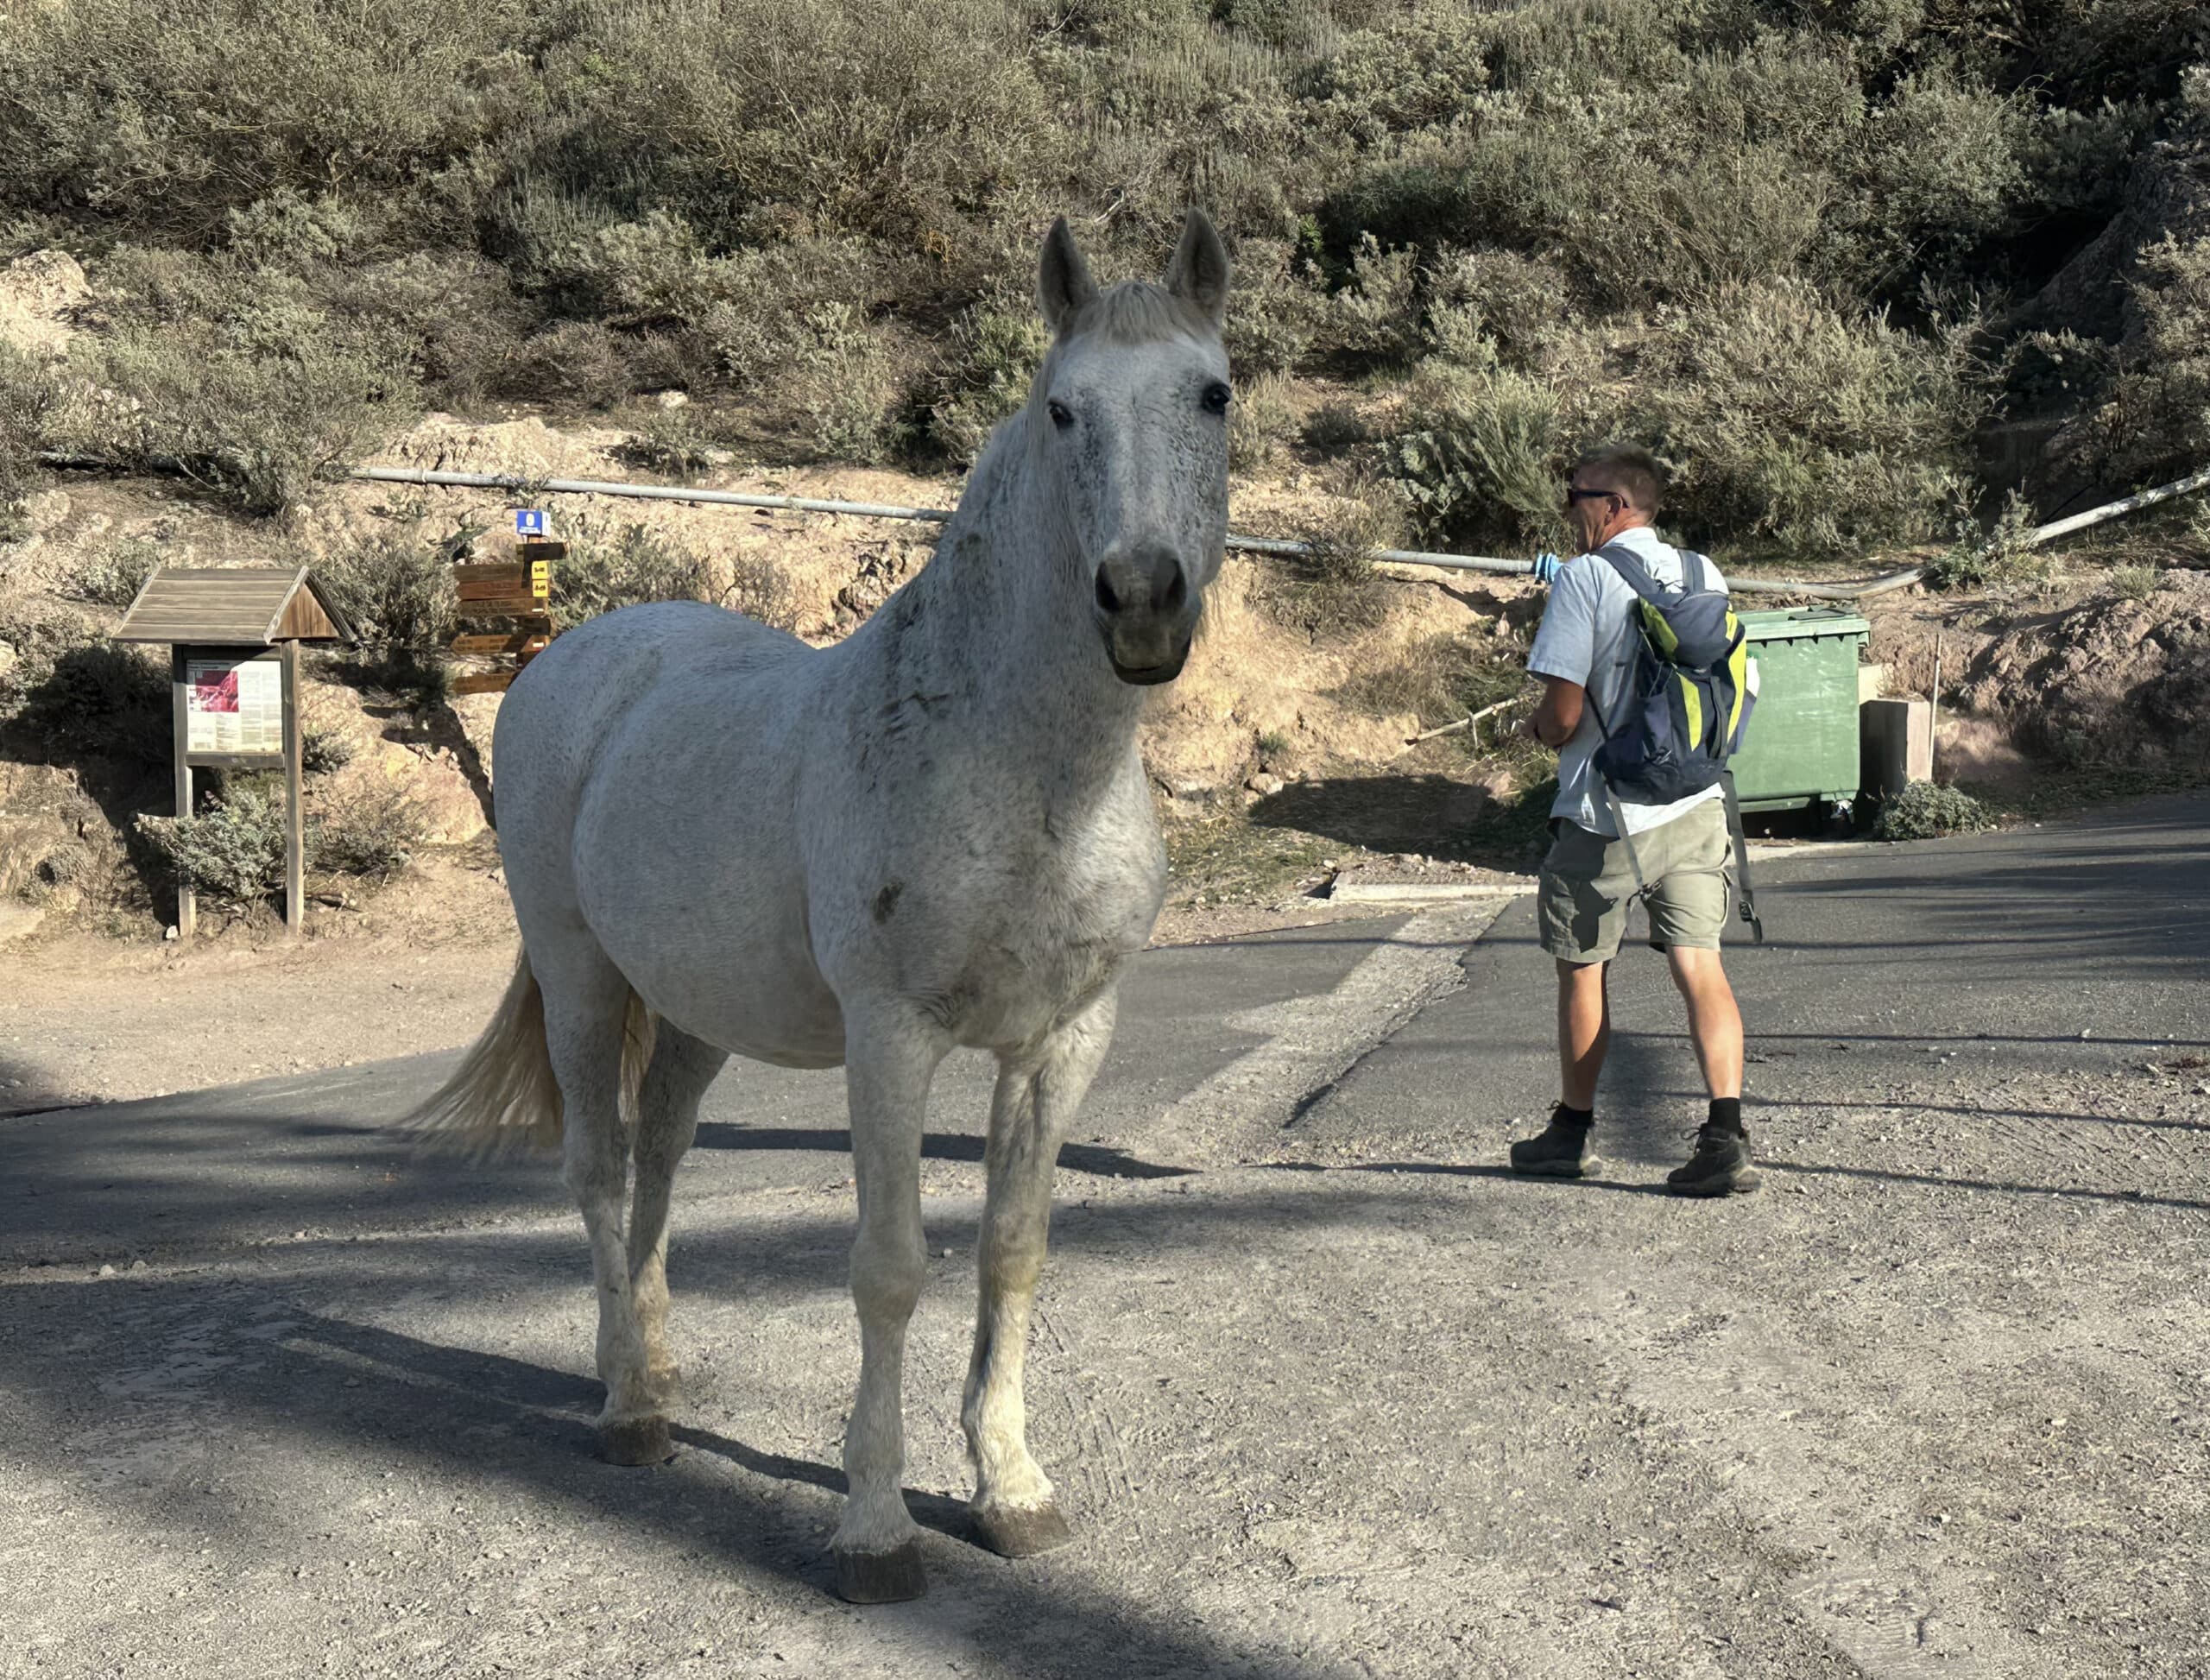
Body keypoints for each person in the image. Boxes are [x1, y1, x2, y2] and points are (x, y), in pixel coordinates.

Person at [1512, 443, 1756, 1197]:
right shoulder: (1702, 573)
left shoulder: (1584, 580)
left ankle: (1572, 1132)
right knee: (1700, 966)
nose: (1569, 512)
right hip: (1696, 802)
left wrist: (1533, 731)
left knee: (1584, 970)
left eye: (1575, 496)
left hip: (1602, 815)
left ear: (1615, 504)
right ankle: (1725, 1134)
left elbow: (1562, 716)